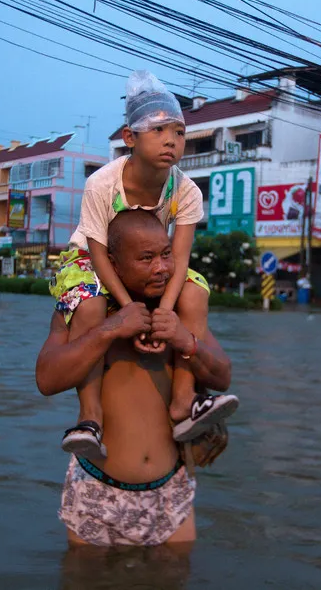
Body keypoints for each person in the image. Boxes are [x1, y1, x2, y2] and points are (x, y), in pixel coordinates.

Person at [48, 71, 238, 461]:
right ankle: (90, 416)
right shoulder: (103, 183)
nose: (172, 141)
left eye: (180, 133)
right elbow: (99, 252)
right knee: (88, 303)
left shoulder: (186, 190)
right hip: (93, 255)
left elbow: (180, 257)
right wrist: (126, 309)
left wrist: (167, 316)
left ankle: (185, 402)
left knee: (196, 291)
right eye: (159, 131)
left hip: (151, 257)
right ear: (130, 138)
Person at [36, 209, 232, 547]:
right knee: (85, 579)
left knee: (173, 578)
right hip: (97, 490)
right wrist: (112, 329)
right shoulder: (89, 308)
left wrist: (185, 341)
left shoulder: (177, 309)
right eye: (145, 258)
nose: (161, 267)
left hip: (171, 491)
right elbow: (47, 379)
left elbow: (223, 376)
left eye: (166, 254)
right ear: (112, 263)